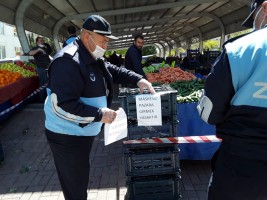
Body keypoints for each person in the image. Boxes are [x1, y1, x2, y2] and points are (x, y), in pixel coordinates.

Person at [44, 14, 155, 200]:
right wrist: (99, 114)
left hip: (82, 131)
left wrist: (139, 79)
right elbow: (62, 106)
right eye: (103, 41)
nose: (106, 46)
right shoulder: (67, 61)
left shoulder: (91, 54)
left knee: (81, 177)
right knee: (75, 187)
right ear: (87, 36)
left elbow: (113, 69)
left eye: (107, 42)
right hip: (67, 136)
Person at [197, 0, 267, 199]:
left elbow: (208, 113)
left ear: (265, 7)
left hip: (243, 170)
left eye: (254, 17)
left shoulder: (239, 49)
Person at [29, 36, 52, 102]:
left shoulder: (45, 48)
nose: (42, 41)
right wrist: (39, 49)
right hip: (41, 68)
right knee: (43, 84)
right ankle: (42, 100)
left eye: (42, 40)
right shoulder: (36, 48)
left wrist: (46, 45)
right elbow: (30, 53)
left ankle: (48, 99)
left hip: (48, 68)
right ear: (37, 42)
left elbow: (49, 51)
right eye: (40, 40)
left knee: (48, 84)